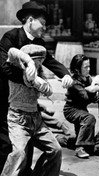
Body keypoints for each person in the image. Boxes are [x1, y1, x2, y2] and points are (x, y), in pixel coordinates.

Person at [0, 1, 72, 174]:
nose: (45, 27)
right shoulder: (11, 37)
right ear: (30, 20)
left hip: (28, 102)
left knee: (30, 142)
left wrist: (66, 74)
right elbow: (4, 66)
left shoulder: (39, 42)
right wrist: (32, 80)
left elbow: (50, 60)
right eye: (43, 23)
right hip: (5, 97)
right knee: (7, 144)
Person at [1, 44, 61, 176]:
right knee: (19, 153)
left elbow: (49, 90)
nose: (38, 65)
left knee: (55, 150)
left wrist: (38, 82)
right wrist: (29, 62)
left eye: (40, 62)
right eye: (36, 61)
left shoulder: (39, 76)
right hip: (18, 119)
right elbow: (11, 51)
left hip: (36, 119)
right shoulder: (14, 69)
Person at [63, 54, 99, 159]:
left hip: (81, 109)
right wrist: (94, 85)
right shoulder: (74, 82)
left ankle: (59, 139)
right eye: (85, 67)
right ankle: (79, 148)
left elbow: (94, 98)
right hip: (71, 110)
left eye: (89, 66)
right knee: (89, 118)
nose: (88, 69)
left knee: (79, 135)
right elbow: (85, 97)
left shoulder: (87, 79)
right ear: (77, 69)